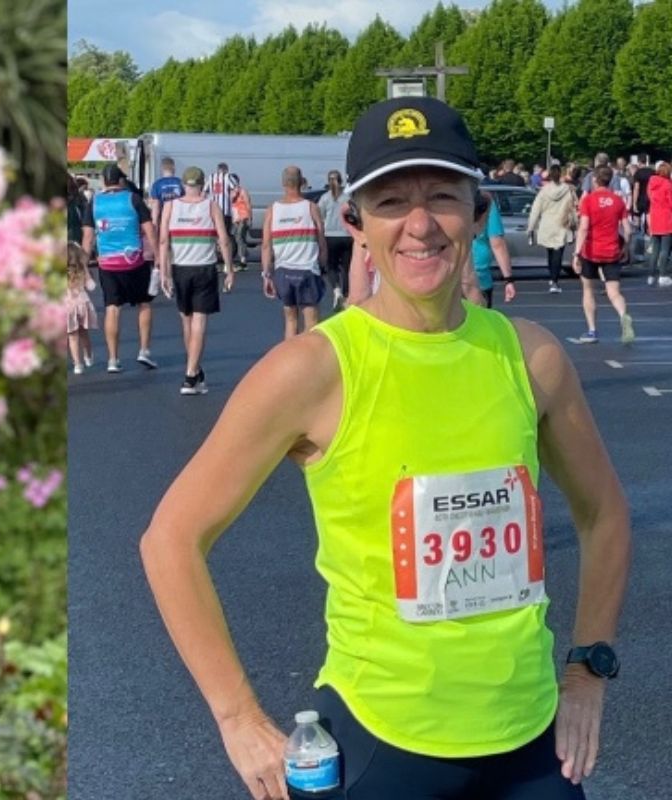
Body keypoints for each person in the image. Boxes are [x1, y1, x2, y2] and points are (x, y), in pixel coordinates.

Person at [141, 97, 630, 800]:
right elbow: (171, 539)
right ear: (355, 223)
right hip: (383, 745)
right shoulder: (311, 371)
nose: (420, 223)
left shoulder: (532, 358)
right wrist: (237, 715)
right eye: (392, 200)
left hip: (533, 748)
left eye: (442, 196)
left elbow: (605, 515)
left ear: (477, 208)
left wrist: (588, 669)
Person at [159, 166, 234, 396]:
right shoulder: (211, 205)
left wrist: (164, 273)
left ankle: (195, 369)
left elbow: (163, 241)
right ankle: (190, 375)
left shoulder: (170, 206)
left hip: (180, 267)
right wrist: (229, 268)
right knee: (199, 321)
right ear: (203, 184)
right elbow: (223, 239)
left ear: (184, 184)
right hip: (204, 267)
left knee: (187, 320)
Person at [90, 163, 159, 372]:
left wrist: (83, 265)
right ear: (120, 180)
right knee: (144, 304)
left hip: (108, 262)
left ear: (103, 181)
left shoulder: (94, 202)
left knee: (112, 308)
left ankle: (113, 359)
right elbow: (149, 230)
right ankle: (144, 350)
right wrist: (159, 256)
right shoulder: (133, 199)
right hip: (134, 261)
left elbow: (87, 236)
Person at [260, 166, 327, 340]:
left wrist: (267, 274)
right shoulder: (311, 207)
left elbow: (266, 245)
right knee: (312, 322)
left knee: (290, 321)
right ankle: (310, 362)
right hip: (307, 270)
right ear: (302, 183)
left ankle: (291, 360)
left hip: (283, 272)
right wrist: (323, 265)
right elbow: (321, 240)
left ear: (283, 184)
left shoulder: (272, 210)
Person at [573, 166, 635, 344]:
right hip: (611, 251)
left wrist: (577, 253)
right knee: (614, 292)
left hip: (591, 251)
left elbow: (584, 227)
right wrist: (625, 247)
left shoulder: (588, 201)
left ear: (594, 180)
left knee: (588, 290)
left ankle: (592, 331)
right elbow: (628, 230)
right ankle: (623, 315)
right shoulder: (618, 201)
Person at [527, 165, 579, 294]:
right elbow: (574, 208)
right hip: (562, 224)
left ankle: (552, 277)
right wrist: (575, 226)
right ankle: (555, 281)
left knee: (550, 253)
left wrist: (531, 228)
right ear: (560, 174)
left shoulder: (543, 191)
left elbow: (535, 210)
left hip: (547, 225)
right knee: (558, 254)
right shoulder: (568, 190)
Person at [316, 170, 352, 310]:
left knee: (331, 266)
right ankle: (346, 294)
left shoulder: (325, 198)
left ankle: (336, 290)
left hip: (330, 236)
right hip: (347, 235)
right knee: (347, 268)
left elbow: (320, 216)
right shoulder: (348, 197)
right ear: (341, 180)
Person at [67, 242, 98, 374]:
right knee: (84, 333)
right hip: (82, 304)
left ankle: (77, 364)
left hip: (68, 306)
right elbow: (91, 286)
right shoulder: (81, 270)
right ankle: (88, 356)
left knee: (72, 336)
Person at [646, 161, 672, 287]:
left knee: (655, 249)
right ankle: (662, 275)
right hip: (667, 218)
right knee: (665, 249)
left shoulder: (651, 183)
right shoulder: (668, 185)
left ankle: (651, 275)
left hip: (655, 217)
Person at [209, 162, 240, 265]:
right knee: (225, 235)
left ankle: (214, 257)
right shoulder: (228, 177)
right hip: (225, 211)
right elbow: (236, 188)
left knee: (214, 234)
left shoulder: (210, 177)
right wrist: (232, 197)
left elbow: (204, 191)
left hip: (213, 210)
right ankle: (227, 260)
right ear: (226, 170)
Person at [231, 174, 253, 271]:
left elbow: (248, 204)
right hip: (236, 218)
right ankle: (244, 253)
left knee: (240, 237)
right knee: (236, 238)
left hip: (243, 217)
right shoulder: (231, 192)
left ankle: (243, 260)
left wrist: (250, 218)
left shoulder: (243, 191)